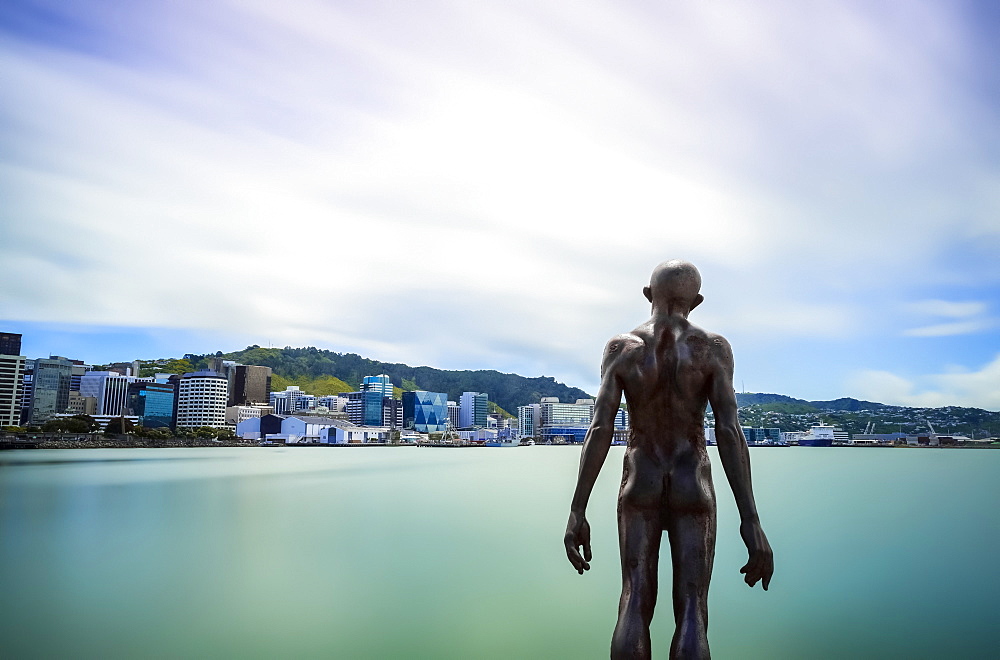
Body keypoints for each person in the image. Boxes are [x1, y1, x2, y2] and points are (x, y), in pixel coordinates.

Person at [564, 259, 773, 659]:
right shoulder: (712, 349)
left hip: (638, 481)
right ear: (696, 301)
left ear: (648, 294)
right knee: (693, 608)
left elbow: (599, 430)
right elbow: (730, 432)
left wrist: (578, 509)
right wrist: (751, 519)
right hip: (691, 483)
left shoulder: (621, 349)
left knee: (634, 599)